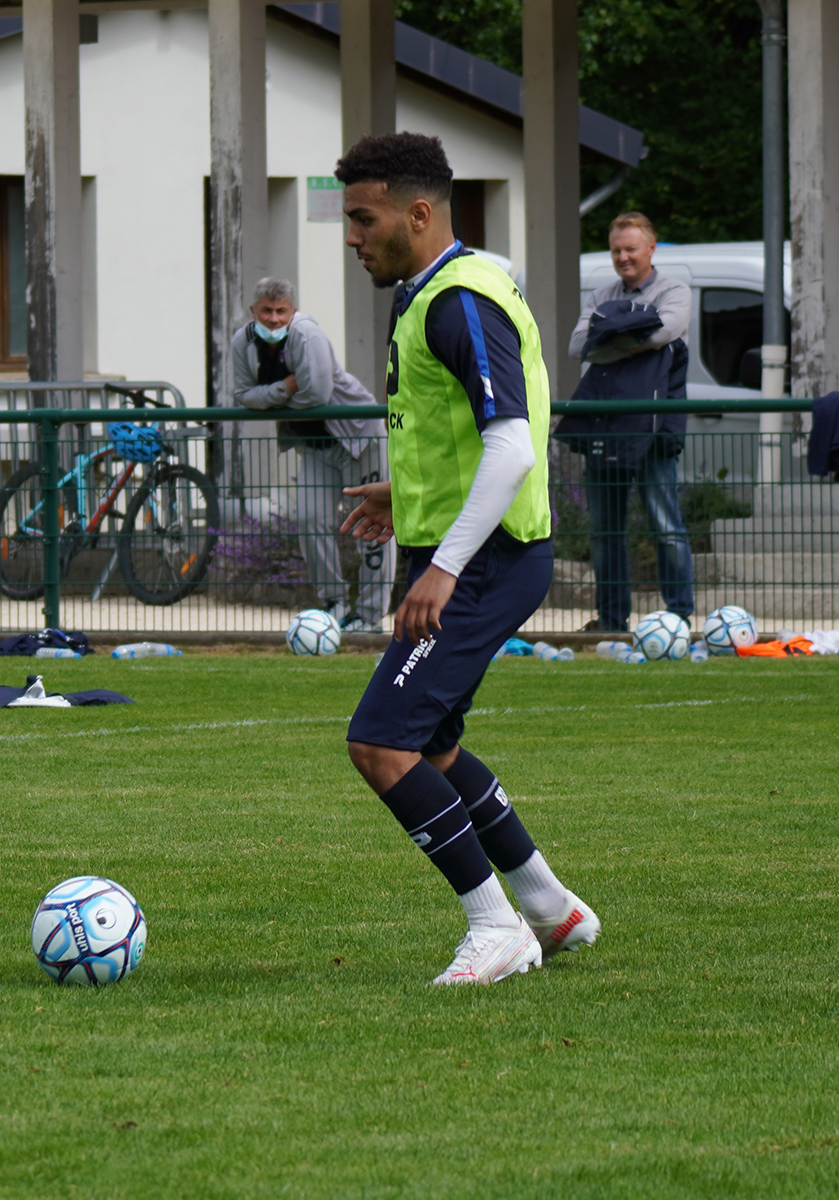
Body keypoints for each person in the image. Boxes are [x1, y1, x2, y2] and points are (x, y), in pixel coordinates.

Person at [334, 132, 599, 986]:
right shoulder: (437, 291)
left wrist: (443, 569)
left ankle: (496, 928)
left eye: (363, 218)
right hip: (476, 554)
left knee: (381, 744)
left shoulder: (457, 302)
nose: (353, 237)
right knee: (436, 746)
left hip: (483, 564)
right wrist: (402, 495)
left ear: (418, 214)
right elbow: (460, 435)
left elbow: (513, 446)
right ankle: (552, 909)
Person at [231, 278, 393, 631]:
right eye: (266, 311)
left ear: (293, 311)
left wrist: (269, 399)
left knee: (370, 526)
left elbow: (317, 395)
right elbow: (243, 395)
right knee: (309, 519)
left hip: (359, 438)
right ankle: (334, 604)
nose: (274, 319)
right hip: (316, 446)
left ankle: (369, 616)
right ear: (253, 311)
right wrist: (286, 387)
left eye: (281, 311)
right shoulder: (242, 342)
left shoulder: (307, 335)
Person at [566, 212, 694, 633]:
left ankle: (678, 618)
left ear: (651, 248)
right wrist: (635, 336)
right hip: (606, 424)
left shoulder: (674, 291)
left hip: (655, 428)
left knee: (665, 525)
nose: (623, 257)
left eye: (631, 249)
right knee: (604, 530)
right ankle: (611, 620)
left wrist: (610, 333)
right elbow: (578, 346)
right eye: (616, 250)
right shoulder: (599, 294)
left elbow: (666, 332)